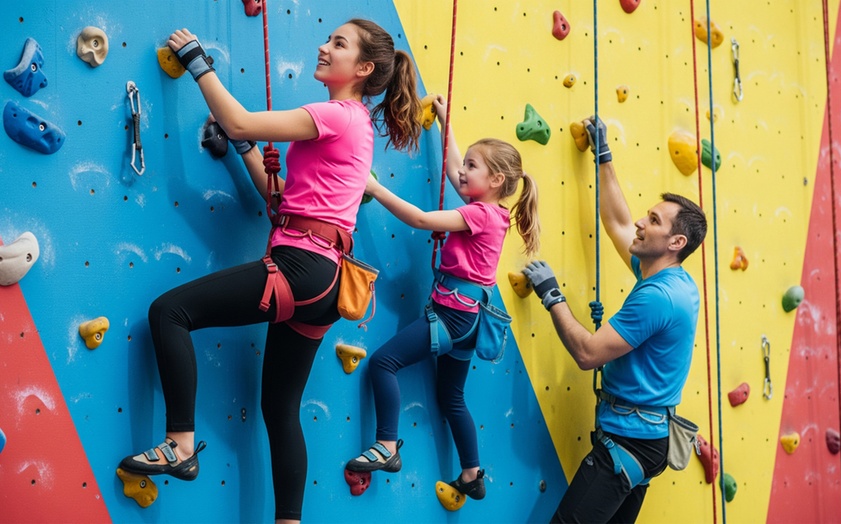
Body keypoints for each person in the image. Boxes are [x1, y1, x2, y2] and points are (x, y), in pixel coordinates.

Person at [118, 19, 421, 523]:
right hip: (324, 281)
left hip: (301, 267)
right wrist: (246, 152)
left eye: (338, 44)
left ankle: (180, 442)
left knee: (169, 311)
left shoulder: (339, 115)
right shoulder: (355, 125)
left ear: (364, 68)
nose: (324, 46)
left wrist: (198, 61)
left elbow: (238, 120)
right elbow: (277, 199)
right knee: (280, 410)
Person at [345, 95, 541, 501]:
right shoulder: (493, 212)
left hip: (452, 316)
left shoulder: (477, 214)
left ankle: (387, 445)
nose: (463, 172)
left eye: (474, 166)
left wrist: (376, 188)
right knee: (451, 396)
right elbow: (453, 172)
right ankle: (471, 473)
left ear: (496, 181)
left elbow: (420, 219)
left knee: (383, 364)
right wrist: (446, 121)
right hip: (472, 320)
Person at [522, 116, 707, 523]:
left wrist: (553, 296)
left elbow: (589, 353)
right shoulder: (674, 278)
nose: (642, 222)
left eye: (654, 221)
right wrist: (603, 156)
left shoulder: (659, 298)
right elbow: (618, 223)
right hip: (646, 440)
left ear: (676, 242)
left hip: (629, 442)